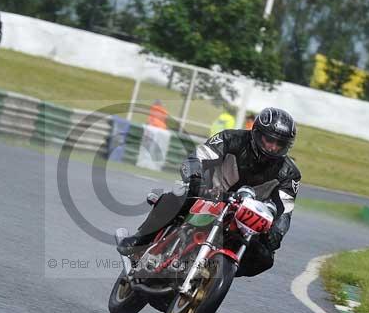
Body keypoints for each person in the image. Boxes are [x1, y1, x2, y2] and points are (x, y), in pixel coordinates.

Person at [118, 107, 301, 277]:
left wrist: (277, 233)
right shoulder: (231, 138)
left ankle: (215, 276)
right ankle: (140, 241)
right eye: (269, 140)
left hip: (245, 218)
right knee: (179, 195)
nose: (273, 147)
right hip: (211, 194)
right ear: (257, 133)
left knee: (265, 257)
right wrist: (196, 179)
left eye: (280, 143)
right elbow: (199, 156)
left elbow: (285, 211)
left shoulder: (289, 173)